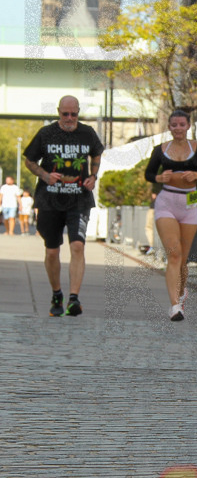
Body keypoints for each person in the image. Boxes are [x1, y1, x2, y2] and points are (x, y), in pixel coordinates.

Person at [23, 96, 104, 316]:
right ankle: (57, 293)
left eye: (73, 114)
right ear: (59, 112)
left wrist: (93, 176)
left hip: (79, 200)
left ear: (78, 112)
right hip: (49, 201)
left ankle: (74, 299)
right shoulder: (46, 133)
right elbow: (29, 160)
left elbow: (97, 152)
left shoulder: (87, 133)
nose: (69, 118)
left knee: (77, 246)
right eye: (65, 114)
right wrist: (44, 174)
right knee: (52, 251)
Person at [145, 110, 197, 321]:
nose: (178, 128)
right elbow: (149, 174)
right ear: (169, 127)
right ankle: (175, 306)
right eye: (174, 125)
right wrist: (160, 176)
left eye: (181, 124)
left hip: (189, 202)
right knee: (173, 254)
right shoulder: (160, 150)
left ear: (188, 126)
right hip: (167, 201)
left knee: (183, 259)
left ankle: (182, 291)